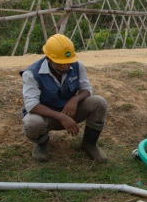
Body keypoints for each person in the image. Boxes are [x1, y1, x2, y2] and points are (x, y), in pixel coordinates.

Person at [21, 34, 108, 163]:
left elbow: (87, 89)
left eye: (68, 62)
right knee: (32, 123)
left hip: (70, 112)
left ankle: (89, 144)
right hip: (47, 118)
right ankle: (42, 144)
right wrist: (61, 117)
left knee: (99, 102)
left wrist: (75, 99)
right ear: (48, 58)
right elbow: (31, 105)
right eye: (60, 62)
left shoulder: (77, 66)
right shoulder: (32, 74)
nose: (65, 66)